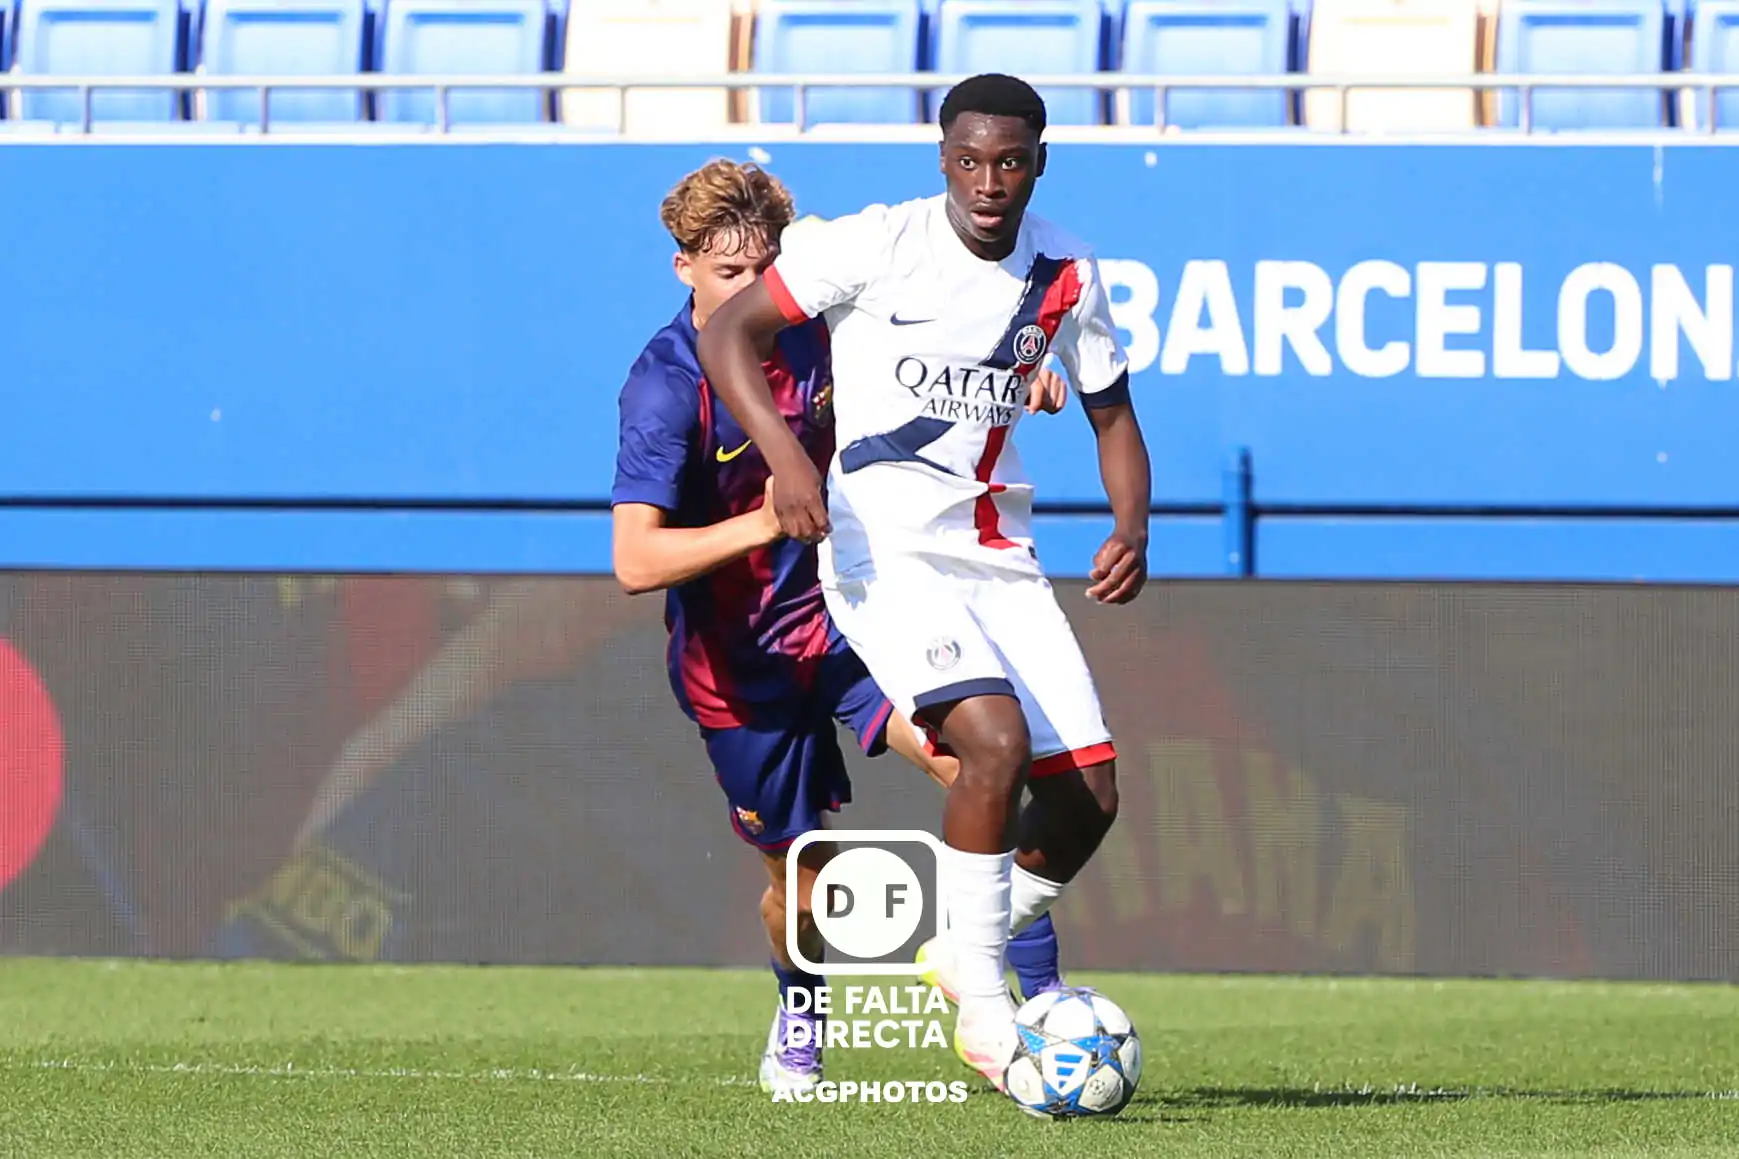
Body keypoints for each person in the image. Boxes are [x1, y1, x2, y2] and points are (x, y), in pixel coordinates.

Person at [695, 76, 1153, 1092]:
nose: (988, 182)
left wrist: (1131, 524)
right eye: (968, 160)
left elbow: (1112, 417)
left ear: (1038, 162)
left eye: (1009, 162)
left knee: (1087, 794)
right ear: (941, 160)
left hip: (997, 554)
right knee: (988, 741)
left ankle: (962, 945)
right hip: (878, 547)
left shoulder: (1067, 274)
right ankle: (986, 1011)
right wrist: (785, 458)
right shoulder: (876, 242)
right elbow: (728, 334)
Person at [609, 158, 1074, 1095]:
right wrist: (769, 513)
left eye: (763, 268)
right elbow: (634, 563)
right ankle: (800, 1009)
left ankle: (1038, 1005)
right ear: (683, 269)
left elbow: (939, 347)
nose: (752, 289)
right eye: (729, 273)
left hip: (855, 621)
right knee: (805, 882)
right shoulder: (664, 388)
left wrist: (1022, 372)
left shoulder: (823, 329)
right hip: (739, 669)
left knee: (983, 764)